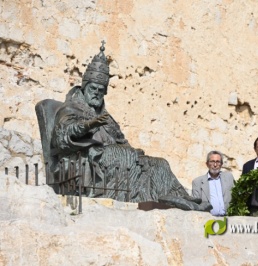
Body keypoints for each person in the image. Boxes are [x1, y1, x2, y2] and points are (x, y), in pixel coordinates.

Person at [50, 42, 208, 211]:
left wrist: (134, 152)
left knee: (158, 163)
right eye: (93, 88)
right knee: (122, 155)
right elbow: (63, 137)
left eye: (101, 90)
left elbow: (121, 140)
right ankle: (152, 195)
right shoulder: (70, 109)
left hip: (114, 160)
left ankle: (176, 196)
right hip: (87, 160)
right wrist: (90, 125)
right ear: (84, 87)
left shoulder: (106, 117)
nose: (96, 93)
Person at [192, 151, 235, 216]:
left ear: (221, 164)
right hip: (208, 221)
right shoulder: (197, 182)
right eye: (212, 161)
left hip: (227, 219)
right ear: (207, 164)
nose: (215, 165)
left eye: (218, 162)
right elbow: (196, 205)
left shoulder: (229, 178)